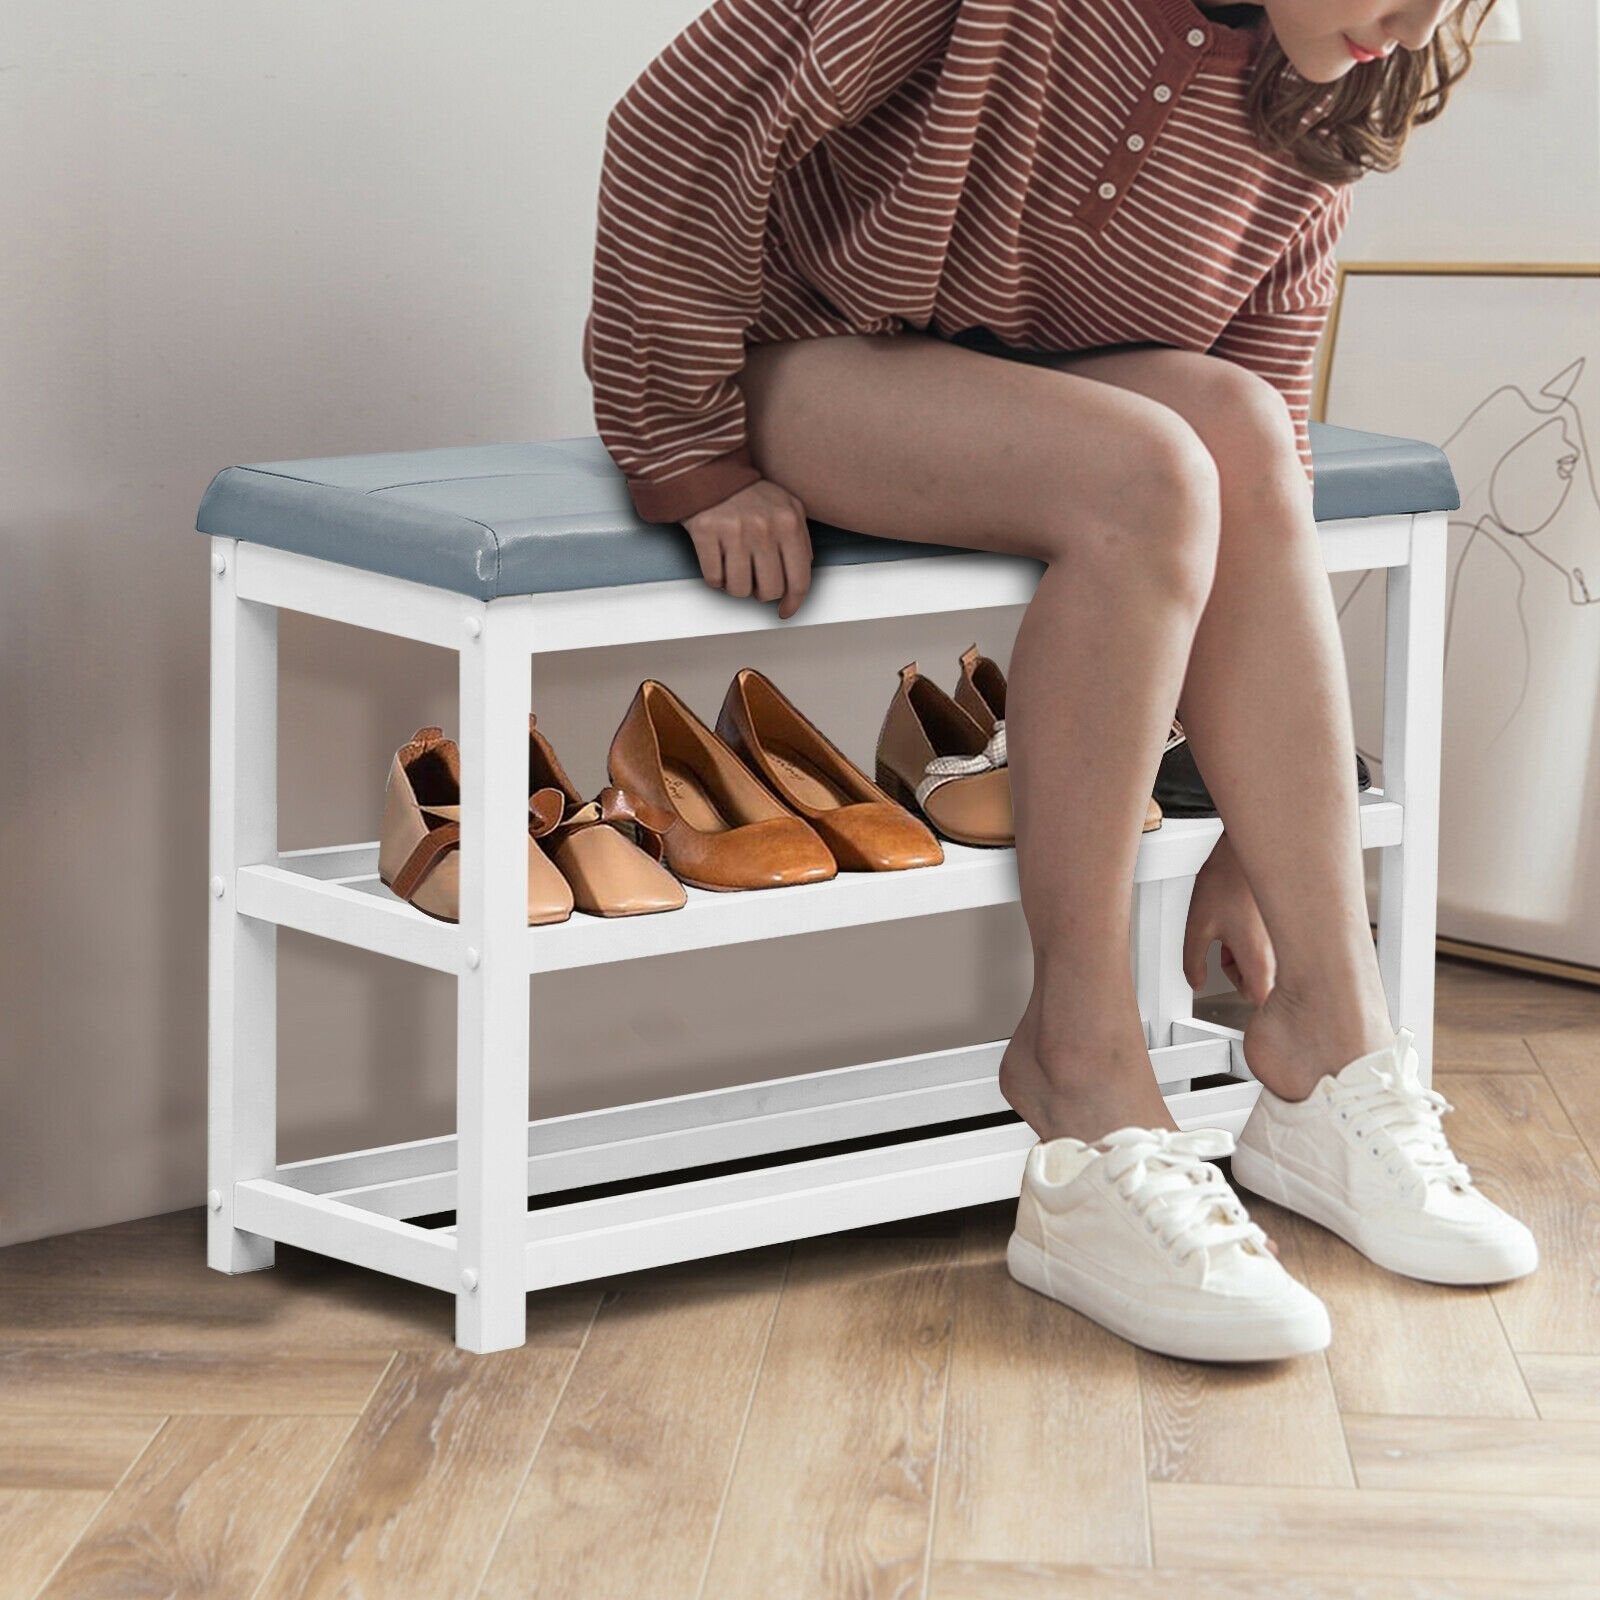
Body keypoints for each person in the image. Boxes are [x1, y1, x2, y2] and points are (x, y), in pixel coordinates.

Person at [581, 0, 1537, 1362]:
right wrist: (683, 447)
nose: (1420, 16)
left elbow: (1258, 413)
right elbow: (681, 120)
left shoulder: (1334, 73)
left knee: (1250, 431)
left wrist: (1250, 840)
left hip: (1047, 396)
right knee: (1149, 478)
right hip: (810, 361)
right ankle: (1081, 1067)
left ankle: (1331, 1040)